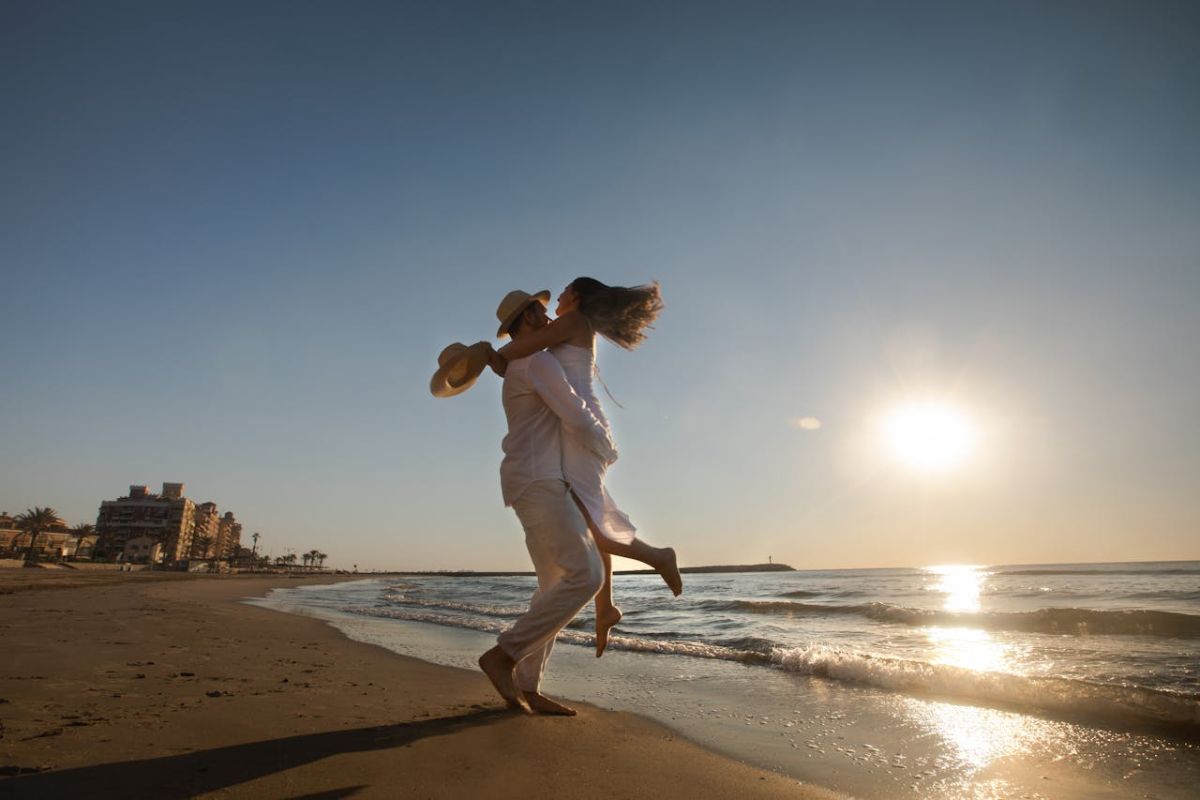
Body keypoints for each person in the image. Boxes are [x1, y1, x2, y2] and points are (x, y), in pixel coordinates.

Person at [491, 278, 681, 658]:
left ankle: (658, 557)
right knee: (588, 519)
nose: (555, 303)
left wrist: (487, 355)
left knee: (592, 525)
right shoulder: (565, 330)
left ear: (576, 298)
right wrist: (495, 358)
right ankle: (604, 607)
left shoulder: (573, 322)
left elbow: (517, 353)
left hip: (582, 430)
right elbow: (521, 363)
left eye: (560, 296)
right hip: (578, 430)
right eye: (545, 303)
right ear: (527, 313)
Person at [476, 289, 616, 716]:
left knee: (554, 586)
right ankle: (503, 656)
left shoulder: (524, 360)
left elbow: (507, 365)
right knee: (586, 576)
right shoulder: (538, 361)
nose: (546, 311)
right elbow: (573, 413)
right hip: (540, 482)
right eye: (538, 308)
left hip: (529, 481)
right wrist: (606, 448)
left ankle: (528, 686)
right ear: (529, 316)